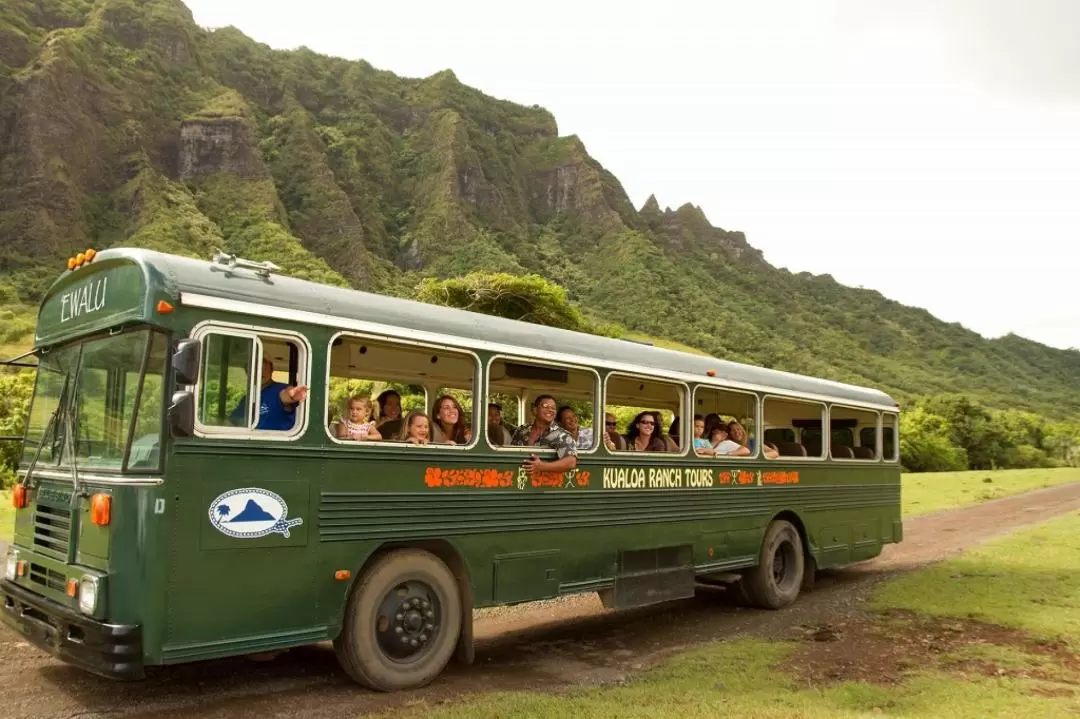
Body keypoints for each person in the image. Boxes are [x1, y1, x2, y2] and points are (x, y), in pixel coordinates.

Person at [231, 359, 307, 430]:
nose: (259, 373)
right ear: (248, 373)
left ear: (271, 371)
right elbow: (233, 421)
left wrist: (292, 395)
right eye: (254, 369)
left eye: (264, 369)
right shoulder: (247, 398)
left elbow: (285, 395)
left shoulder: (280, 389)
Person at [511, 395, 578, 473]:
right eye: (545, 406)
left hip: (545, 483)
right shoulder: (522, 430)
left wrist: (542, 466)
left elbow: (571, 463)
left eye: (553, 408)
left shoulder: (561, 435)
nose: (550, 410)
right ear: (535, 410)